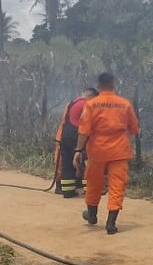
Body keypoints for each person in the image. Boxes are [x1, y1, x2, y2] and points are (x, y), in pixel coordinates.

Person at [73, 73, 139, 235]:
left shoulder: (91, 104)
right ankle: (111, 223)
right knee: (117, 186)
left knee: (93, 183)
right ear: (113, 85)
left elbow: (83, 131)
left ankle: (92, 216)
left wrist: (78, 150)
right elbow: (134, 128)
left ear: (99, 86)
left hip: (97, 151)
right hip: (119, 151)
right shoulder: (124, 104)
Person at [56, 87, 97, 199]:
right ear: (92, 97)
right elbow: (87, 122)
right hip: (77, 135)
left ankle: (68, 192)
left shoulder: (72, 103)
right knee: (86, 161)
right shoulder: (87, 104)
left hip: (65, 135)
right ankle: (90, 191)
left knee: (67, 163)